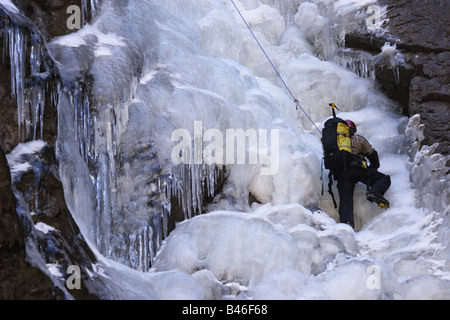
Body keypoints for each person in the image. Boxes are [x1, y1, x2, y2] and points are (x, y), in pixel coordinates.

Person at [334, 120, 391, 228]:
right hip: (357, 170)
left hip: (341, 174)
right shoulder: (358, 139)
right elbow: (372, 155)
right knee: (384, 179)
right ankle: (374, 191)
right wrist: (372, 168)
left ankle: (347, 226)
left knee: (345, 200)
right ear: (353, 129)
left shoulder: (335, 142)